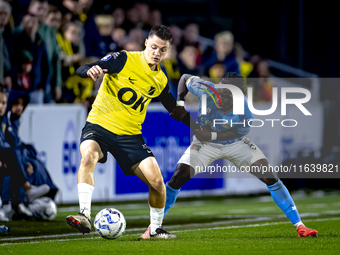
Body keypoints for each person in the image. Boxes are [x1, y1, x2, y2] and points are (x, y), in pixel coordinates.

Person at [140, 72, 318, 238]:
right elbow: (185, 78)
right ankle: (153, 228)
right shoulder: (207, 89)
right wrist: (180, 102)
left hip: (235, 143)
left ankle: (300, 226)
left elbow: (231, 134)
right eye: (220, 91)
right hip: (205, 144)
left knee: (270, 177)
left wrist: (206, 131)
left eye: (227, 95)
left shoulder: (246, 112)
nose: (220, 97)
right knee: (178, 177)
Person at [66, 25, 196, 238]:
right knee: (88, 156)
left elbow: (174, 109)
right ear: (146, 42)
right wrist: (90, 70)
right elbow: (86, 67)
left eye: (162, 50)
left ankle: (154, 230)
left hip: (130, 135)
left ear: (168, 50)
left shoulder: (160, 79)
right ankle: (84, 216)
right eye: (154, 47)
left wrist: (198, 128)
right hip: (99, 126)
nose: (157, 53)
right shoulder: (123, 59)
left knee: (157, 182)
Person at [0, 87, 50, 220]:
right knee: (14, 157)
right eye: (16, 104)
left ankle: (16, 203)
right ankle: (22, 195)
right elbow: (8, 144)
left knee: (21, 164)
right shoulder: (6, 120)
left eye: (3, 103)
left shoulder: (8, 120)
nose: (19, 108)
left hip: (6, 157)